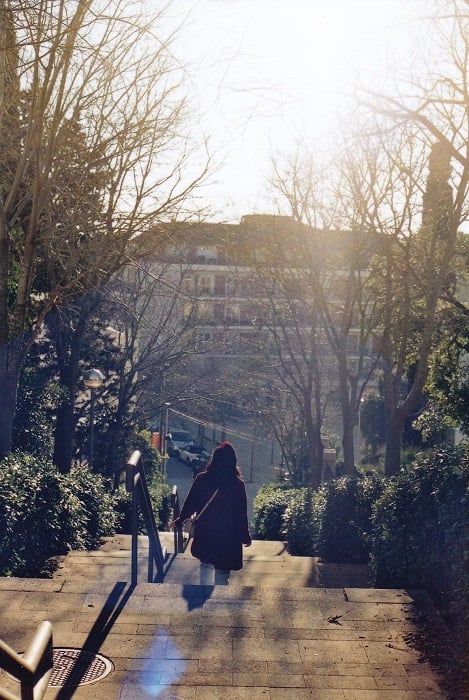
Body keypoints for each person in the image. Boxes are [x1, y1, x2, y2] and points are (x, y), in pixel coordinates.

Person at [170, 441, 252, 585]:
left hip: (206, 530)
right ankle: (218, 599)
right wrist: (245, 536)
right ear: (233, 461)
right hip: (228, 534)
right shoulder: (237, 484)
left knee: (206, 564)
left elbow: (190, 503)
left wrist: (179, 521)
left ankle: (204, 594)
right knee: (222, 570)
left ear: (214, 459)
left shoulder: (202, 479)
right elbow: (241, 514)